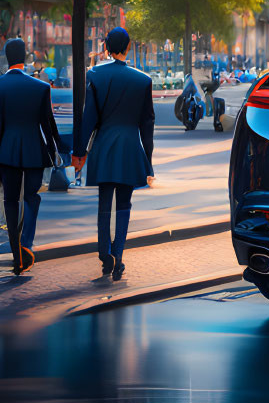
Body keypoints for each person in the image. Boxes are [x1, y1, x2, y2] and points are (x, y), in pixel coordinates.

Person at [73, 27, 154, 282]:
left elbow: (89, 118)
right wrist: (149, 162)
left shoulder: (95, 75)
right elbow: (147, 124)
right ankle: (119, 256)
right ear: (128, 47)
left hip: (104, 146)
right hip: (131, 148)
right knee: (125, 206)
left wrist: (80, 152)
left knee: (104, 204)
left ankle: (104, 255)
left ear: (106, 47)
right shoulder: (143, 80)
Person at [0, 38, 61, 275]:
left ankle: (17, 256)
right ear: (25, 57)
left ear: (7, 57)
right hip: (34, 150)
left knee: (10, 201)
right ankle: (27, 243)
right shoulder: (40, 87)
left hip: (6, 151)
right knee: (32, 197)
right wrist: (58, 149)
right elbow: (48, 126)